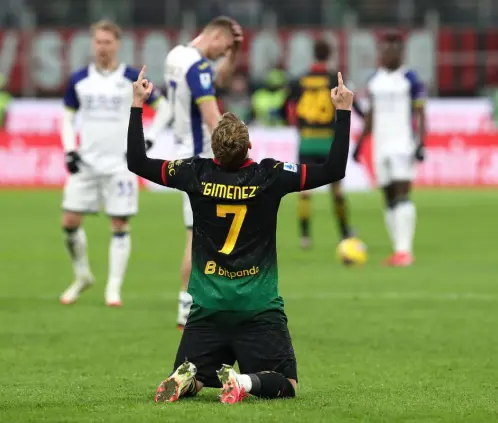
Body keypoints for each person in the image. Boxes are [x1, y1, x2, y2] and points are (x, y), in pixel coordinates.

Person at [126, 66, 353, 403]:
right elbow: (334, 169)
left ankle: (191, 378)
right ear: (249, 146)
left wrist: (136, 104)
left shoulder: (194, 172)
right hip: (258, 308)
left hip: (207, 309)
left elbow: (137, 162)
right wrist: (343, 111)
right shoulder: (270, 175)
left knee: (200, 376)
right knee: (286, 383)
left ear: (214, 151)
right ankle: (244, 384)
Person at [59, 20, 171, 306]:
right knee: (69, 221)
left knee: (119, 223)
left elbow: (164, 107)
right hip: (87, 162)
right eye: (98, 41)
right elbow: (68, 118)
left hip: (121, 164)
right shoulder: (79, 80)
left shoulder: (132, 78)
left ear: (117, 44)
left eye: (107, 42)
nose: (102, 47)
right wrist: (70, 150)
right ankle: (83, 275)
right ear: (92, 44)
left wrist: (149, 139)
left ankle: (113, 288)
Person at [164, 16, 243, 329]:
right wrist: (238, 146)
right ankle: (188, 306)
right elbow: (213, 118)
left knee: (204, 233)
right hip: (202, 159)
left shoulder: (176, 56)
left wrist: (233, 54)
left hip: (183, 154)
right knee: (198, 235)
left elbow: (218, 79)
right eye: (224, 47)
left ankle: (199, 301)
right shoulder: (197, 68)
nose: (224, 54)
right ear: (215, 36)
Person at [353, 32, 426, 267]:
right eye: (382, 50)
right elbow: (371, 116)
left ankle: (405, 250)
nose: (384, 54)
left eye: (389, 50)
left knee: (402, 193)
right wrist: (359, 143)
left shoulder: (411, 79)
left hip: (403, 144)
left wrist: (421, 142)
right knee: (388, 197)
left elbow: (421, 114)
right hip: (380, 146)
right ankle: (398, 249)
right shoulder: (375, 80)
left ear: (400, 53)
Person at [291, 39, 354, 249]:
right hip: (328, 140)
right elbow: (348, 102)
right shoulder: (333, 78)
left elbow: (288, 106)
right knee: (336, 191)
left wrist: (298, 125)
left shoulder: (301, 80)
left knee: (305, 192)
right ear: (329, 55)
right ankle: (345, 233)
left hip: (307, 139)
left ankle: (305, 236)